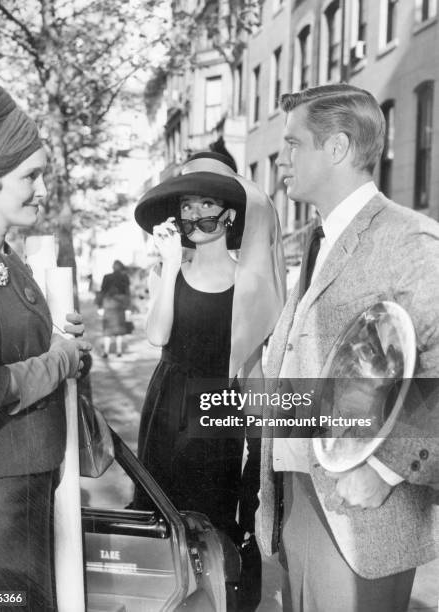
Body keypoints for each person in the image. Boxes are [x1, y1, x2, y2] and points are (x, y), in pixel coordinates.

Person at [259, 83, 439, 612]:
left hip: (362, 511)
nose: (283, 163)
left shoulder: (409, 241)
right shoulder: (320, 240)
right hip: (299, 496)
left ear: (336, 148)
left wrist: (385, 471)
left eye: (294, 145)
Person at [134, 151, 286, 610]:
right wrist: (167, 268)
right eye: (187, 205)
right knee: (161, 518)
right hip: (167, 408)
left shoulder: (251, 283)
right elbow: (157, 334)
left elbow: (253, 369)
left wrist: (261, 443)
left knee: (211, 528)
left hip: (217, 415)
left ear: (230, 213)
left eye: (206, 203)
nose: (195, 215)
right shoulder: (170, 269)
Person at [0, 87, 91, 611]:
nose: (43, 190)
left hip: (27, 484)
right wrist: (59, 358)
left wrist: (65, 343)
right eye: (29, 176)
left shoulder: (6, 258)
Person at [96, 259, 131, 357]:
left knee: (107, 330)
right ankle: (119, 351)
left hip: (108, 306)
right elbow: (128, 293)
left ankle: (106, 352)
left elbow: (102, 292)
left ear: (113, 267)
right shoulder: (125, 277)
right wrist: (128, 308)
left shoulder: (106, 277)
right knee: (119, 330)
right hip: (120, 306)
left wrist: (100, 306)